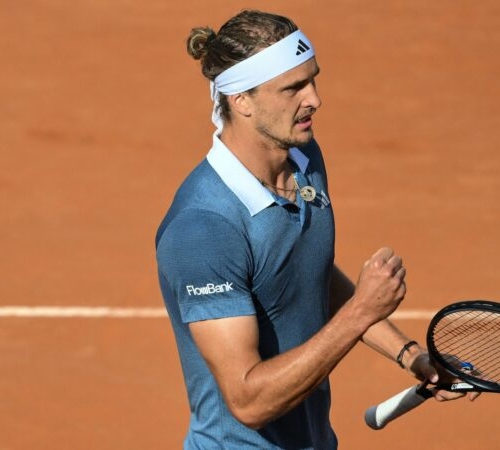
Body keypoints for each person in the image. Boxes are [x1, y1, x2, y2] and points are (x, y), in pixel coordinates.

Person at [156, 9, 478, 449]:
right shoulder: (204, 228)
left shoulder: (303, 159)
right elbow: (249, 401)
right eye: (293, 88)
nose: (314, 99)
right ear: (241, 101)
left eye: (313, 79)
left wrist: (412, 356)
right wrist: (362, 311)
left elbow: (305, 275)